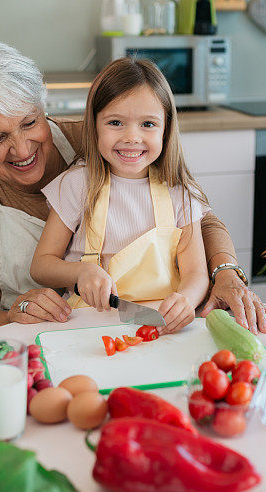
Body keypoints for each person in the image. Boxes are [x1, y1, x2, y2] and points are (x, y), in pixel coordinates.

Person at [0, 37, 266, 339]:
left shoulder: (103, 144)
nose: (21, 148)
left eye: (31, 122)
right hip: (23, 334)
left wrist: (224, 271)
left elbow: (200, 221)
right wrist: (10, 319)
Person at [30, 58, 209, 334]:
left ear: (166, 129)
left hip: (159, 327)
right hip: (88, 328)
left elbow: (196, 273)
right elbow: (41, 265)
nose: (132, 137)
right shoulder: (76, 185)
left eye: (148, 124)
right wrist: (79, 272)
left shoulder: (180, 194)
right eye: (116, 122)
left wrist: (186, 300)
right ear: (94, 125)